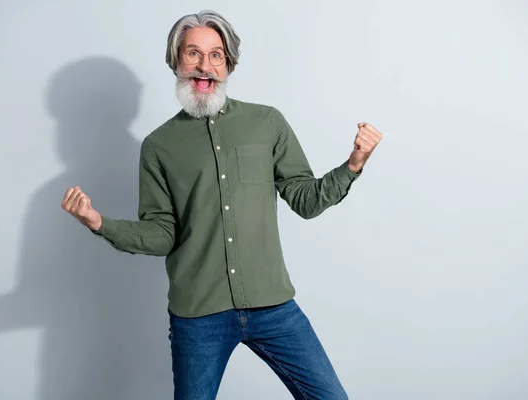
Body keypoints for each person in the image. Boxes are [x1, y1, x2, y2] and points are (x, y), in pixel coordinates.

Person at [61, 9, 382, 400]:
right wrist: (99, 222)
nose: (204, 66)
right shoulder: (159, 146)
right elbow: (162, 233)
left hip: (273, 306)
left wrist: (352, 165)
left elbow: (305, 200)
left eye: (216, 55)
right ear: (175, 60)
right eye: (193, 53)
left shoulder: (267, 123)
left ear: (228, 63)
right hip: (198, 317)